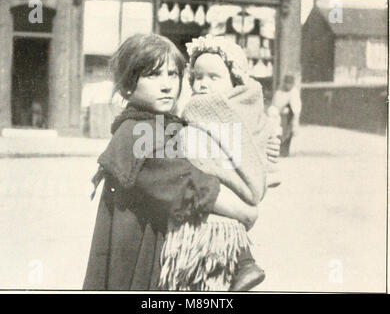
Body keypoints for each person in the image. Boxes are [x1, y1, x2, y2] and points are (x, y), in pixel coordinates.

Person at [82, 34, 259, 290]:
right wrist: (244, 212)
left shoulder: (164, 125)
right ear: (127, 86)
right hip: (141, 266)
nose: (167, 86)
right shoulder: (136, 132)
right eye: (153, 75)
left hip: (162, 259)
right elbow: (185, 182)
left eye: (173, 74)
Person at [159, 35, 280, 291]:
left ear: (235, 81)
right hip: (203, 216)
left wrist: (266, 162)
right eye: (198, 77)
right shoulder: (191, 110)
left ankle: (243, 263)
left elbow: (259, 164)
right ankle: (243, 263)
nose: (203, 85)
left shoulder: (246, 113)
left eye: (213, 78)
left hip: (223, 219)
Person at [268, 74, 302, 157]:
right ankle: (277, 151)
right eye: (286, 83)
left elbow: (296, 107)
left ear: (293, 84)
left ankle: (284, 151)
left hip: (288, 116)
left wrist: (295, 119)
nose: (287, 85)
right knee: (277, 132)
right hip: (278, 116)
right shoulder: (280, 92)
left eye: (289, 83)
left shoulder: (294, 92)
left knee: (287, 133)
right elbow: (275, 103)